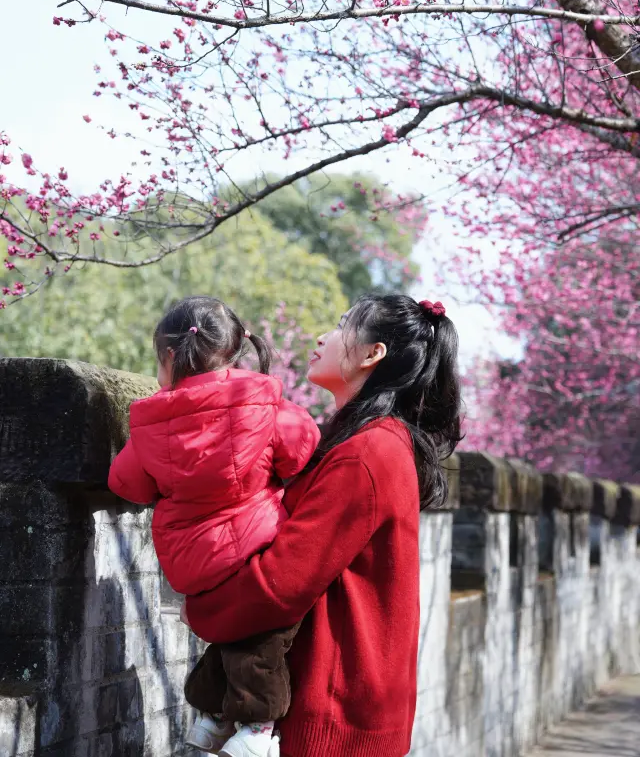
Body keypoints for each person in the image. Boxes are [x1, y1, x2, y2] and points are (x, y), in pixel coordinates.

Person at [181, 293, 462, 757]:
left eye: (342, 325)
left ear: (374, 354)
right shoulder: (361, 441)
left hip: (332, 715)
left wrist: (203, 609)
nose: (322, 337)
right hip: (337, 708)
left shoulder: (369, 452)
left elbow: (283, 582)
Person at [107, 296, 320, 757]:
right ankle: (257, 728)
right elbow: (301, 448)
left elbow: (127, 483)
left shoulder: (150, 420)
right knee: (264, 638)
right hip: (255, 547)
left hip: (193, 563)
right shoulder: (259, 400)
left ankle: (212, 716)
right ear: (235, 349)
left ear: (167, 356)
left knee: (231, 636)